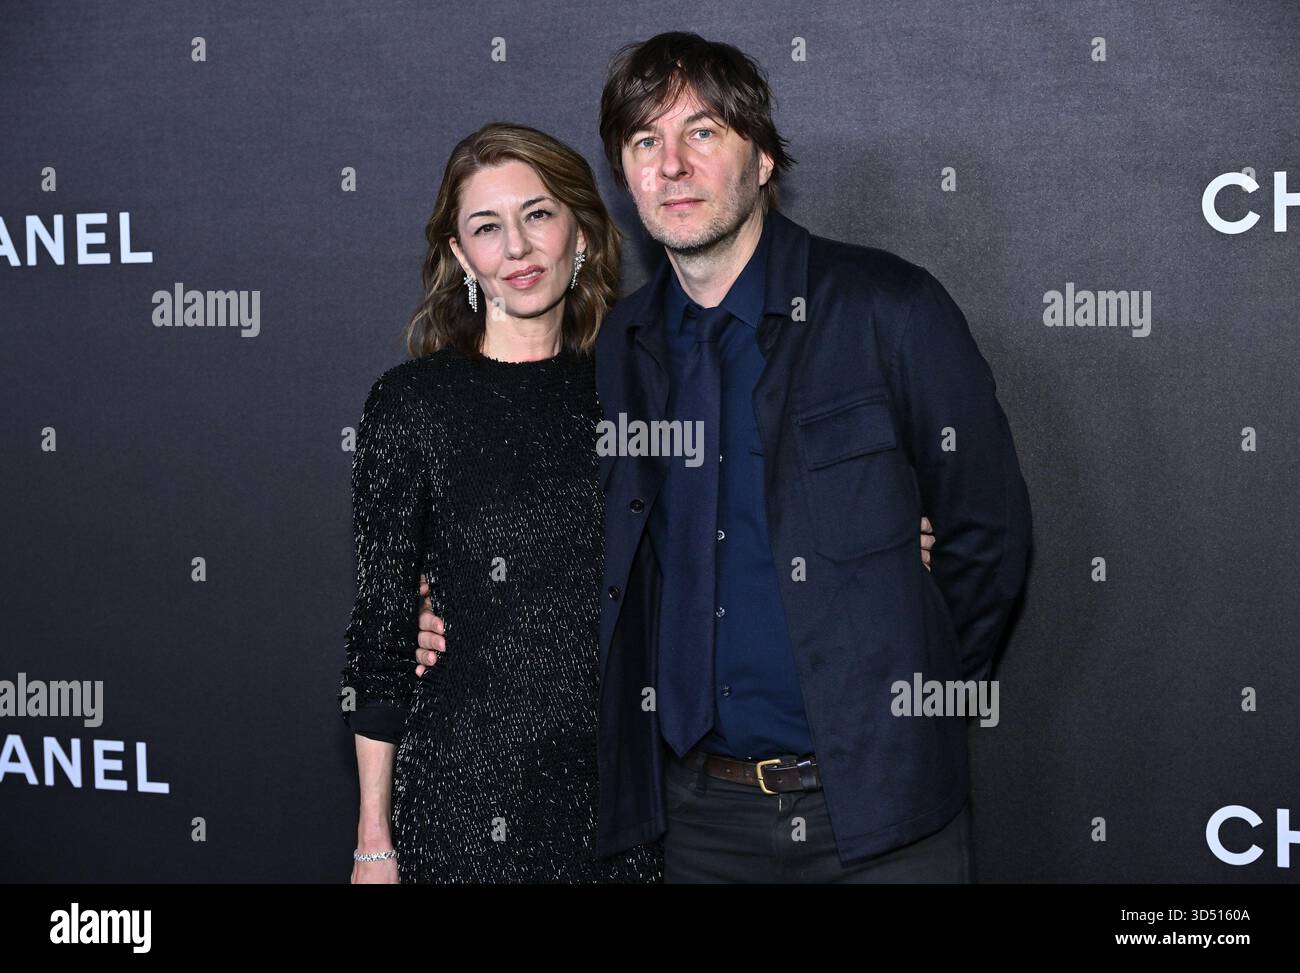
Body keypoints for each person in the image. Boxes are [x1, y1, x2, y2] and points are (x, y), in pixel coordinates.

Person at [416, 33, 1032, 883]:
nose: (671, 165)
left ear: (765, 157)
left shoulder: (888, 308)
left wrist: (905, 672)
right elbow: (578, 545)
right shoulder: (621, 348)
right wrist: (447, 610)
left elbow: (987, 535)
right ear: (624, 178)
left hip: (882, 821)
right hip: (696, 826)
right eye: (644, 142)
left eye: (701, 133)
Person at [337, 122, 663, 883]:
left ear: (580, 231)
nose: (517, 248)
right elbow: (381, 634)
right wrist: (373, 840)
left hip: (622, 807)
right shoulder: (412, 404)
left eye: (538, 214)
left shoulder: (640, 392)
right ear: (461, 257)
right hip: (458, 804)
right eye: (487, 227)